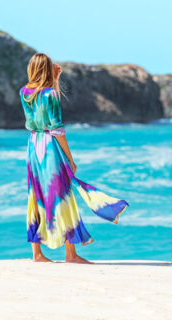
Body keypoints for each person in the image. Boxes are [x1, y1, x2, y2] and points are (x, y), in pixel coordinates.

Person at [19, 53, 129, 264]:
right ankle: (71, 254)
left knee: (37, 197)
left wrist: (55, 80)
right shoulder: (50, 94)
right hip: (50, 148)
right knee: (64, 198)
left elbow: (39, 103)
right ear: (47, 69)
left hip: (33, 147)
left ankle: (37, 254)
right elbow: (57, 129)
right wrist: (70, 159)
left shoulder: (24, 92)